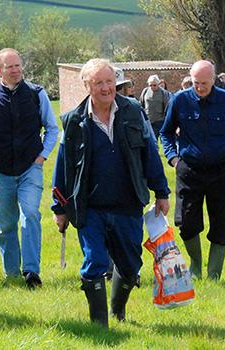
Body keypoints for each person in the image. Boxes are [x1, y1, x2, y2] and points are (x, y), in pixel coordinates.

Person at [51, 58, 170, 328]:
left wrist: (161, 191)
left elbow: (150, 152)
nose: (106, 88)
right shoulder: (73, 122)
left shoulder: (133, 111)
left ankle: (118, 311)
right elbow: (62, 168)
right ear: (87, 86)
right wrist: (59, 208)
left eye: (109, 81)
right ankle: (100, 325)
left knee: (130, 265)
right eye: (99, 83)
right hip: (89, 206)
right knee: (95, 260)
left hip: (128, 203)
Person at [0, 48, 59, 288]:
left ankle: (32, 272)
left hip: (29, 168)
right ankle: (11, 274)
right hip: (0, 170)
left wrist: (42, 156)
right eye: (10, 66)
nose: (15, 70)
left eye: (18, 65)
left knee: (31, 214)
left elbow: (52, 128)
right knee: (5, 223)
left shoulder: (37, 94)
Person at [160, 60, 225, 281]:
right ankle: (196, 266)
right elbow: (166, 133)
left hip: (221, 170)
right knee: (186, 222)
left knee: (220, 221)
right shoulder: (179, 100)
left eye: (204, 83)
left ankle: (214, 274)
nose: (199, 87)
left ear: (214, 80)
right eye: (196, 83)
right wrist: (174, 159)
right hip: (189, 169)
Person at [139, 74, 171, 140]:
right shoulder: (145, 91)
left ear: (158, 84)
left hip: (159, 121)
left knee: (156, 140)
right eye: (150, 85)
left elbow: (167, 107)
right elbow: (141, 104)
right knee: (149, 140)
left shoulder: (163, 93)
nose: (152, 87)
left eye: (154, 85)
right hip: (148, 120)